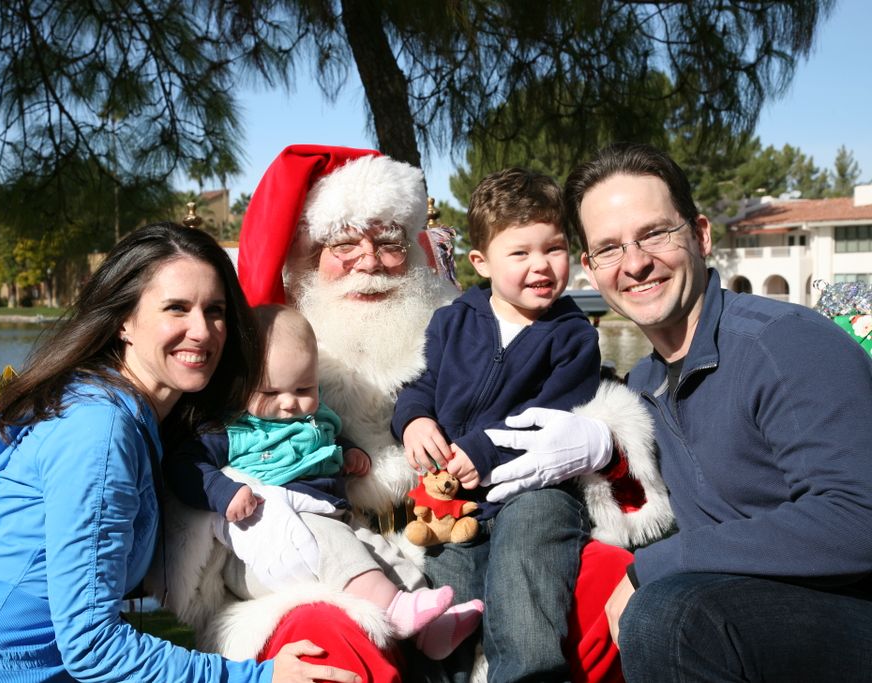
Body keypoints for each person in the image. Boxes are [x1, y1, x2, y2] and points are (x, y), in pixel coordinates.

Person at [158, 146, 671, 683]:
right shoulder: (262, 361)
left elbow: (582, 397)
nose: (371, 261)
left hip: (472, 526)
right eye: (344, 243)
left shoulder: (456, 323)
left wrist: (599, 438)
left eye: (389, 242)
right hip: (325, 563)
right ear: (305, 258)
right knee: (327, 641)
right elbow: (202, 468)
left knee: (610, 583)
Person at [0, 222, 362, 683]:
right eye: (176, 308)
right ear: (124, 319)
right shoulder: (99, 431)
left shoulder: (137, 419)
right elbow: (91, 646)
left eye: (215, 310)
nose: (202, 331)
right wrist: (256, 678)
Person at [562, 142, 872, 681]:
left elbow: (858, 518)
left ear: (700, 235)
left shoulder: (785, 344)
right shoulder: (642, 385)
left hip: (847, 612)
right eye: (609, 248)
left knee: (671, 615)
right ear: (590, 270)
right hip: (744, 613)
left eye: (655, 233)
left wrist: (659, 566)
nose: (635, 263)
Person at [168, 304, 484, 660]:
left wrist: (348, 453)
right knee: (340, 545)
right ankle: (393, 608)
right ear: (240, 384)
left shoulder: (317, 416)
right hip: (264, 551)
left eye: (304, 387)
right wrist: (224, 492)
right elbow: (185, 465)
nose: (290, 403)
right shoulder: (236, 430)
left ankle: (430, 629)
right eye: (270, 392)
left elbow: (329, 440)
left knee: (385, 553)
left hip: (332, 519)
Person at [391, 167, 606, 682]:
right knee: (449, 608)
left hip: (532, 488)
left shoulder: (573, 337)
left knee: (523, 582)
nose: (541, 266)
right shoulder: (454, 320)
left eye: (554, 249)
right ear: (481, 262)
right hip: (451, 501)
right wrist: (414, 419)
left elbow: (555, 416)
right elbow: (420, 382)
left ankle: (527, 674)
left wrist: (484, 451)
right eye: (521, 253)